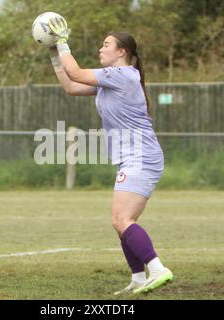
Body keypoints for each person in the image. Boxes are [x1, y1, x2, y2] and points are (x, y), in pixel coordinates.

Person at [48, 17, 173, 294]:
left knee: (121, 220)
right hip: (137, 156)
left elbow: (77, 72)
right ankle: (139, 279)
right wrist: (54, 53)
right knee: (122, 222)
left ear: (122, 52)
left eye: (106, 44)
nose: (100, 49)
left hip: (140, 156)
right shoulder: (113, 80)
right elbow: (71, 87)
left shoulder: (123, 75)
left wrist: (62, 41)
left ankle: (158, 269)